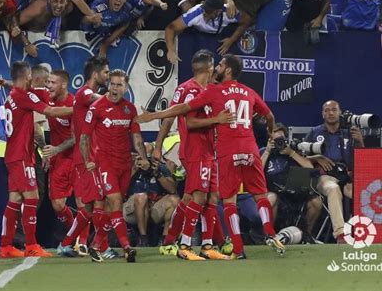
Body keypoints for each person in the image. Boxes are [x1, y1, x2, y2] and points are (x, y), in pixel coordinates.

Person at [137, 54, 285, 258]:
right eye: (216, 64)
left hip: (216, 151)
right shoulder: (191, 89)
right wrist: (158, 142)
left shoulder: (213, 90)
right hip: (198, 150)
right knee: (198, 196)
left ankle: (207, 245)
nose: (218, 68)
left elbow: (182, 112)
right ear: (208, 68)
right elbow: (181, 118)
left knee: (210, 197)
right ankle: (183, 244)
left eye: (221, 64)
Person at [0, 61, 73, 259]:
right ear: (26, 76)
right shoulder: (23, 96)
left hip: (13, 155)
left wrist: (5, 83)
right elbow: (49, 111)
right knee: (32, 198)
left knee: (14, 200)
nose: (32, 77)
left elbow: (40, 93)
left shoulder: (12, 96)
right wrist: (77, 111)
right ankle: (31, 245)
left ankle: (5, 246)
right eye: (30, 75)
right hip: (22, 156)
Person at [81, 69, 148, 263]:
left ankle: (95, 246)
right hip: (104, 162)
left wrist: (143, 157)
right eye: (112, 84)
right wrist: (87, 161)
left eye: (119, 85)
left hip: (124, 163)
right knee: (115, 201)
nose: (114, 88)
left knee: (111, 211)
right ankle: (127, 247)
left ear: (126, 88)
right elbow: (84, 136)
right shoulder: (96, 107)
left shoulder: (130, 109)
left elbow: (136, 136)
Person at [56, 57, 109, 259]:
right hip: (86, 157)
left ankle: (66, 244)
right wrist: (118, 93)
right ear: (95, 74)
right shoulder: (85, 92)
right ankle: (102, 247)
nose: (108, 76)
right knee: (99, 203)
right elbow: (104, 100)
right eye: (105, 72)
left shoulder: (86, 95)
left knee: (88, 207)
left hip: (92, 155)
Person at [304, 100, 364, 243]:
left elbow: (362, 159)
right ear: (322, 114)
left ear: (340, 112)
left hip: (346, 175)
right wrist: (317, 158)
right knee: (333, 189)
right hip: (324, 177)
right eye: (327, 110)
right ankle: (341, 234)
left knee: (363, 191)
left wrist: (360, 141)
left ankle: (370, 230)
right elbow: (301, 156)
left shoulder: (349, 132)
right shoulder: (315, 132)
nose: (330, 113)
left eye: (334, 110)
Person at [260, 123, 322, 243]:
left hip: (294, 192)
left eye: (281, 139)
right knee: (271, 198)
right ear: (269, 140)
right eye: (275, 140)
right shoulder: (263, 151)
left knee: (316, 201)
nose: (279, 142)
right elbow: (256, 173)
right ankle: (269, 236)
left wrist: (291, 153)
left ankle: (306, 235)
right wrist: (267, 152)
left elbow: (310, 168)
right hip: (274, 192)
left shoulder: (292, 151)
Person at [41, 70, 77, 248]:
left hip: (76, 158)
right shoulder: (47, 98)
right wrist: (4, 83)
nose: (48, 85)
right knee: (57, 205)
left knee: (86, 203)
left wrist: (56, 149)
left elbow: (76, 137)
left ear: (63, 85)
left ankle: (82, 240)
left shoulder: (73, 103)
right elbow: (25, 89)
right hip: (58, 158)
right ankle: (75, 233)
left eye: (52, 82)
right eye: (47, 82)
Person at [165, 0, 250, 63]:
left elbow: (247, 21)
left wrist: (231, 40)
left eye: (209, 11)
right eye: (205, 9)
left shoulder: (229, 13)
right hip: (197, 35)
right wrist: (171, 50)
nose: (205, 13)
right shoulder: (195, 14)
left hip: (219, 37)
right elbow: (170, 28)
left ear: (218, 11)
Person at [123, 148, 179, 247]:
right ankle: (143, 239)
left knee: (175, 199)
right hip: (131, 210)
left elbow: (172, 189)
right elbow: (121, 189)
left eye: (148, 159)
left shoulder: (160, 168)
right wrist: (134, 169)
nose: (146, 163)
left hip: (154, 209)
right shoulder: (130, 166)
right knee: (141, 196)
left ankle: (165, 239)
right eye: (143, 159)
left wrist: (157, 173)